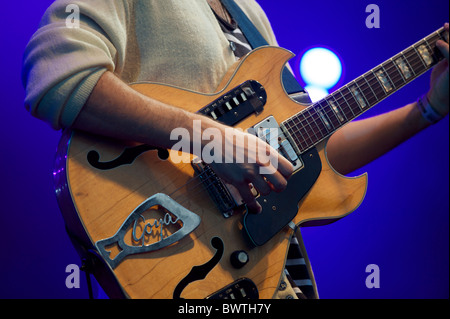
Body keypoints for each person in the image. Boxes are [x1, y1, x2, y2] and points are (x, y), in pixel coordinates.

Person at [22, 0, 449, 299]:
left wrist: (426, 110)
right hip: (189, 269)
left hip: (267, 276)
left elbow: (304, 153)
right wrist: (209, 139)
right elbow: (57, 79)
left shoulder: (250, 13)